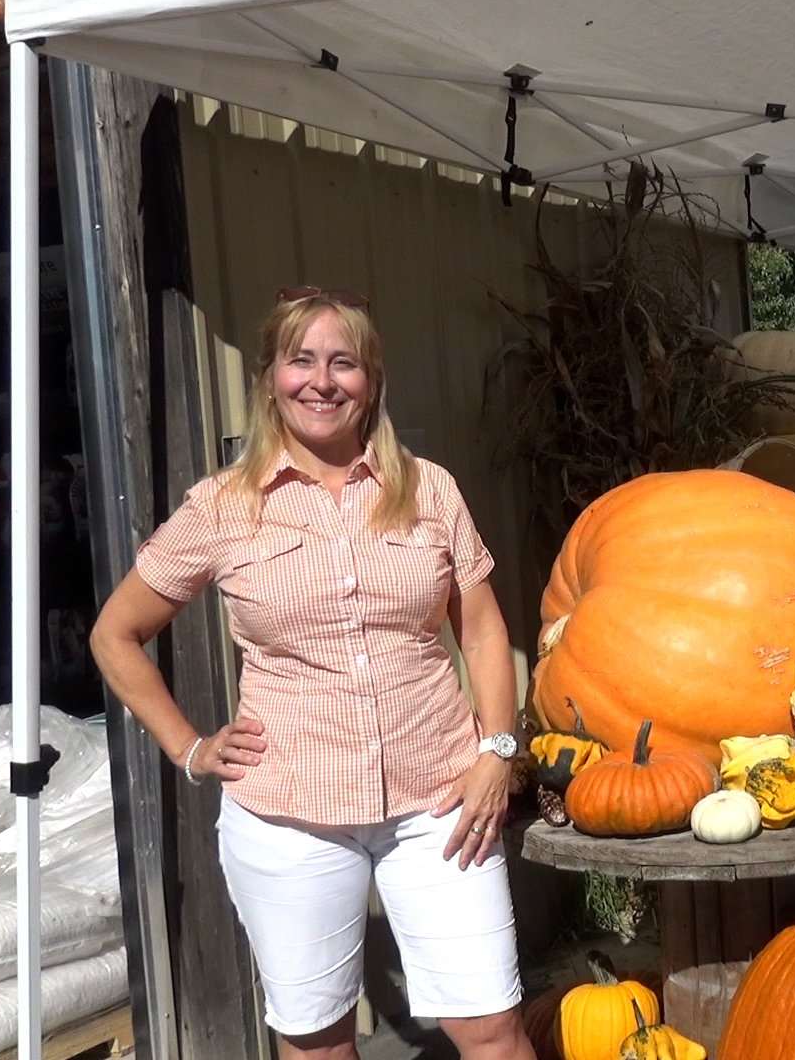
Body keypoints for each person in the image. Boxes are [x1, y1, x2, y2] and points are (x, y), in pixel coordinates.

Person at [90, 289, 535, 1060]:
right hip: (287, 811)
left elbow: (484, 626)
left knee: (493, 1028)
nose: (321, 381)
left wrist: (497, 751)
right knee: (317, 1042)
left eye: (344, 363)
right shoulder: (221, 508)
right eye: (300, 360)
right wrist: (189, 748)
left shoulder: (429, 490)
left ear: (372, 382)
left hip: (440, 798)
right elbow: (115, 634)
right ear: (269, 378)